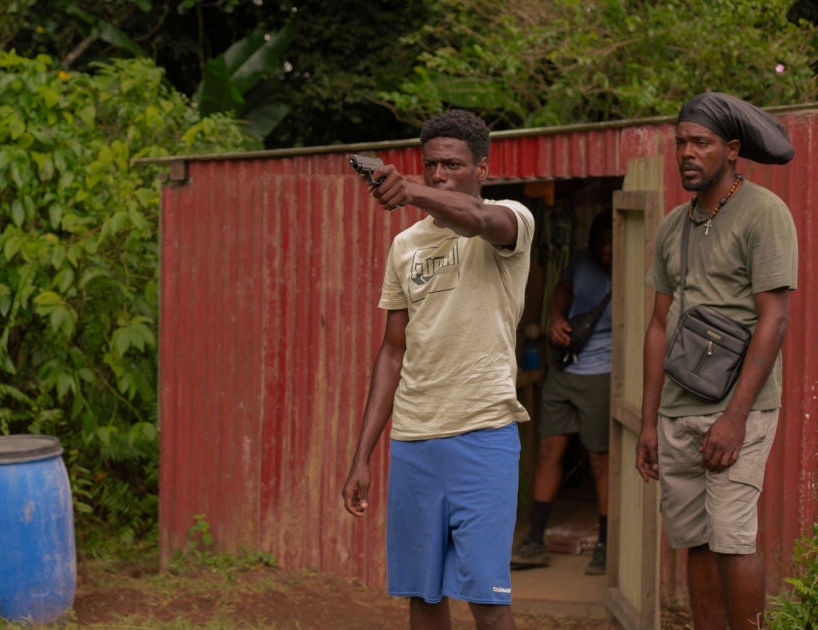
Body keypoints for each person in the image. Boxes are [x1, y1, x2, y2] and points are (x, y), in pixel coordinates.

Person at [341, 109, 535, 630]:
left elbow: (477, 219)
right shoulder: (405, 246)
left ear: (482, 169)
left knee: (488, 601)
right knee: (422, 597)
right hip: (414, 441)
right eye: (430, 165)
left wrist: (412, 191)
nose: (439, 174)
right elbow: (392, 352)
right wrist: (362, 456)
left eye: (452, 164)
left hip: (483, 434)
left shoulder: (512, 221)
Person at [637, 92, 796, 630]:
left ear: (731, 150)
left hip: (738, 410)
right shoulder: (672, 225)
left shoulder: (765, 213)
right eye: (681, 142)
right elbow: (657, 326)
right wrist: (648, 422)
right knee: (696, 541)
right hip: (677, 409)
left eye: (700, 143)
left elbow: (774, 320)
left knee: (731, 540)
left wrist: (735, 417)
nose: (687, 152)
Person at [511, 211, 613, 575]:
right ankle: (535, 540)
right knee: (547, 452)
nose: (606, 249)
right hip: (565, 370)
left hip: (602, 374)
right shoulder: (581, 260)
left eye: (611, 243)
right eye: (600, 243)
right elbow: (563, 291)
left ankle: (605, 546)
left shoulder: (632, 266)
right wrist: (555, 319)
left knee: (600, 460)